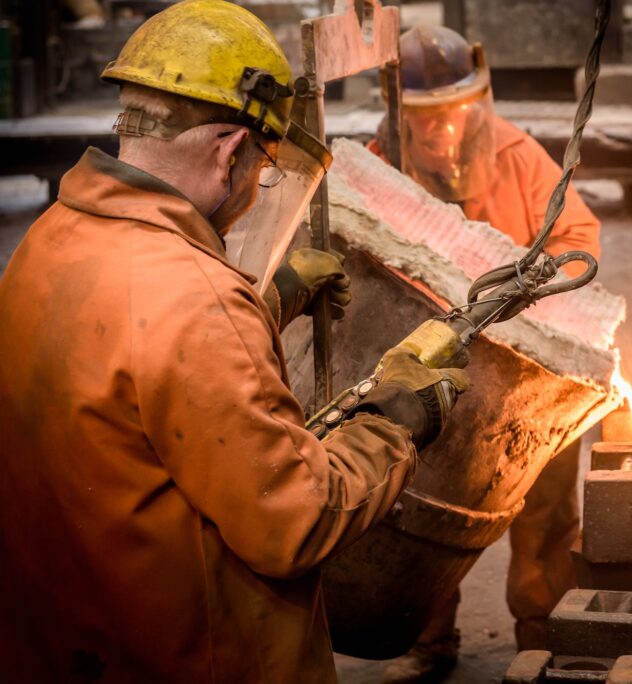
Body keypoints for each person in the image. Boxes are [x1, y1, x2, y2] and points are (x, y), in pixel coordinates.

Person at [0, 2, 468, 682]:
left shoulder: (44, 245)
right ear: (230, 150)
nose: (255, 186)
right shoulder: (197, 299)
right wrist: (395, 421)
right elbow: (298, 519)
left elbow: (132, 369)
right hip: (191, 656)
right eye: (263, 169)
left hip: (70, 642)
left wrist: (266, 301)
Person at [370, 25, 602, 683]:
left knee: (547, 514)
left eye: (455, 113)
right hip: (430, 374)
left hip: (526, 379)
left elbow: (580, 233)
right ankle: (427, 643)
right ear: (397, 111)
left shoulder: (518, 156)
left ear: (478, 102)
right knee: (420, 513)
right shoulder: (379, 162)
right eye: (425, 119)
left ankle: (538, 638)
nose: (443, 132)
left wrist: (540, 279)